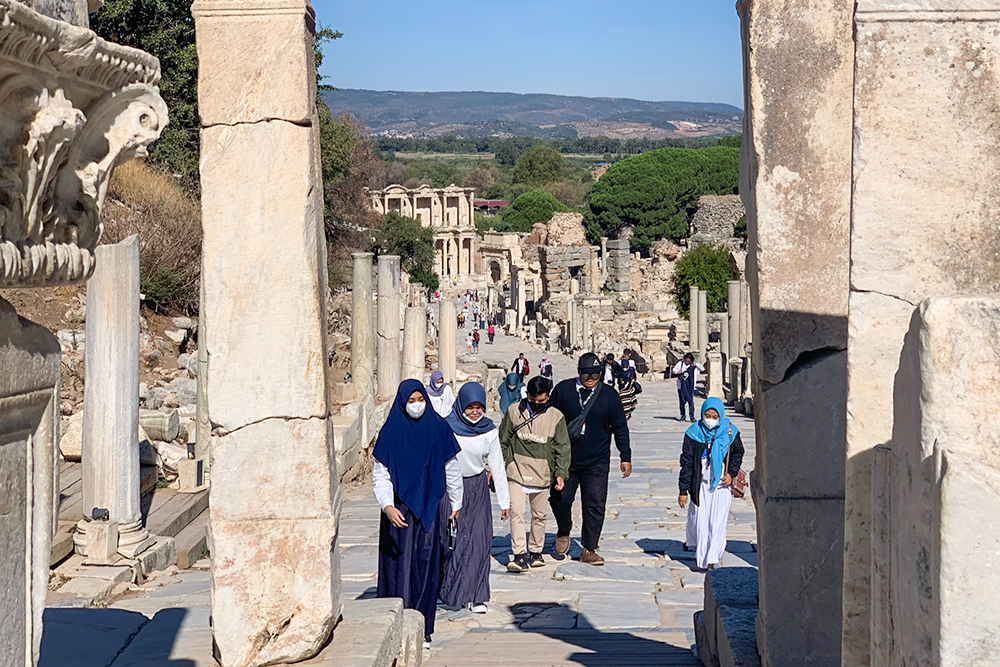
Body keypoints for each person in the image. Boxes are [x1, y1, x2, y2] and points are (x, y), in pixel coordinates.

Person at [374, 380, 463, 648]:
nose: (416, 405)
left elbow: (451, 468)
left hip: (429, 509)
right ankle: (395, 625)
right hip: (399, 510)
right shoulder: (391, 432)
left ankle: (422, 627)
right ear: (402, 402)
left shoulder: (438, 428)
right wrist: (388, 506)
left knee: (426, 565)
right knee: (398, 567)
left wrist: (456, 502)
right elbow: (381, 474)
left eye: (420, 399)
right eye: (411, 401)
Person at [549, 353, 631, 565]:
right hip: (566, 459)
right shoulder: (563, 390)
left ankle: (589, 547)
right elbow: (549, 420)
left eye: (595, 373)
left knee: (595, 503)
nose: (591, 377)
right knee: (560, 498)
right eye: (587, 374)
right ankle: (563, 530)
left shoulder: (609, 396)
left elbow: (620, 427)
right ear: (579, 372)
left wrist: (625, 456)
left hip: (597, 459)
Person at [440, 383, 510, 613]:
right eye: (470, 407)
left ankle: (476, 595)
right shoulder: (447, 427)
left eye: (479, 407)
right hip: (450, 487)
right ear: (461, 405)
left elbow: (497, 465)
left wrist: (504, 500)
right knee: (454, 542)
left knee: (479, 541)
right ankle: (450, 591)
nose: (475, 412)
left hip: (477, 487)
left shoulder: (489, 429)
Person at [499, 376, 570, 572]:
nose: (537, 404)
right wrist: (504, 465)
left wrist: (560, 473)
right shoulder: (514, 411)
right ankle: (519, 554)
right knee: (517, 513)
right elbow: (502, 441)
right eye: (533, 400)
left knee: (539, 515)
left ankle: (536, 551)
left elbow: (562, 447)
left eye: (542, 401)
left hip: (542, 473)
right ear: (527, 394)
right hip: (517, 471)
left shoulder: (556, 417)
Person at [678, 397, 744, 571]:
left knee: (717, 522)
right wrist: (683, 490)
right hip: (700, 485)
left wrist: (731, 473)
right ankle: (701, 558)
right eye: (707, 415)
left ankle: (713, 557)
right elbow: (686, 463)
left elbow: (737, 453)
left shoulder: (730, 432)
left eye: (715, 416)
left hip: (721, 485)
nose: (711, 420)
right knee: (701, 522)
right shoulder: (693, 433)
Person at [671, 353, 705, 422]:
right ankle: (682, 416)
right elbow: (674, 370)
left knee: (691, 402)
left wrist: (697, 365)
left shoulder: (693, 365)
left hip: (690, 387)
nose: (687, 362)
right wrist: (678, 372)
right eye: (686, 361)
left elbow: (702, 369)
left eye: (688, 361)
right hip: (681, 386)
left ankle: (692, 417)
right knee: (682, 402)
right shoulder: (680, 363)